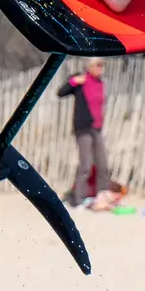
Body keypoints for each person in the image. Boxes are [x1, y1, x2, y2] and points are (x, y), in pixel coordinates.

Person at [57, 57, 111, 205]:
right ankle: (78, 199)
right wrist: (73, 81)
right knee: (86, 165)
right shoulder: (81, 80)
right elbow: (60, 93)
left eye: (102, 65)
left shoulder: (100, 83)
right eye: (98, 65)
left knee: (103, 163)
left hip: (97, 128)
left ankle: (103, 194)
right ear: (90, 67)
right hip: (83, 128)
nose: (101, 68)